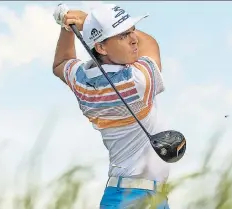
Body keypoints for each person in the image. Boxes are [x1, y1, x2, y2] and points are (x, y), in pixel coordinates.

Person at [53, 3, 171, 209]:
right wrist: (86, 21)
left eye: (132, 30)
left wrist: (67, 27)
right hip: (135, 197)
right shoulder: (136, 81)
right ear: (100, 47)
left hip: (131, 197)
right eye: (123, 35)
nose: (134, 39)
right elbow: (150, 44)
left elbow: (61, 63)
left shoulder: (82, 82)